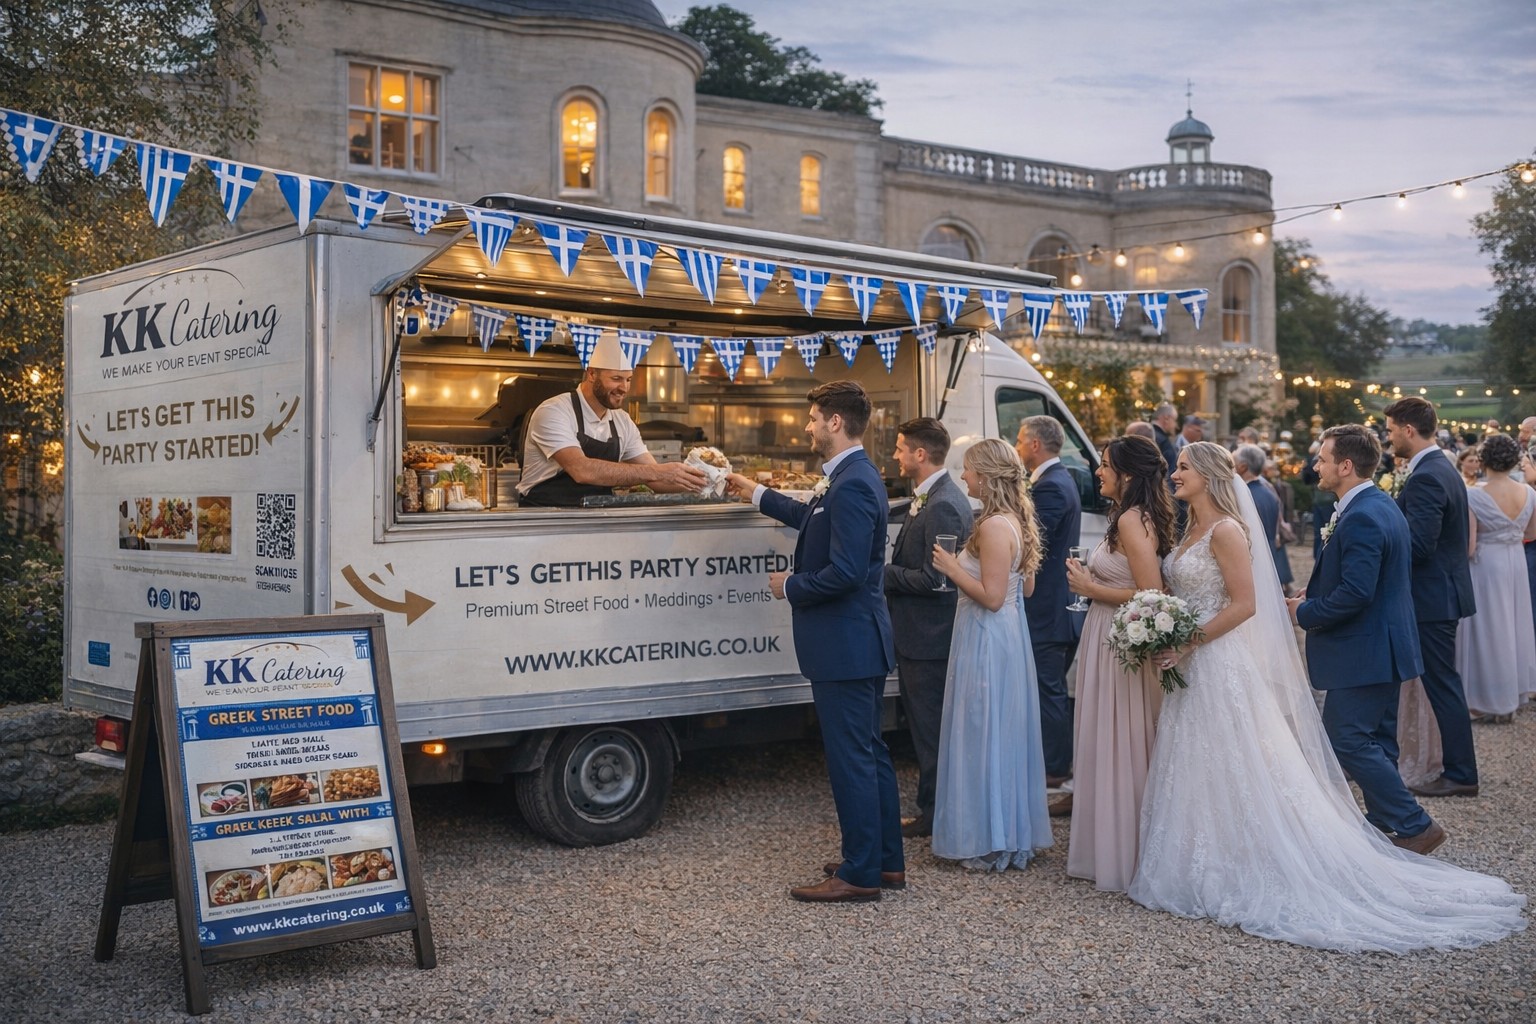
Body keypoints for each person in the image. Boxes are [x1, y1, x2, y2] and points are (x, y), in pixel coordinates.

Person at [1127, 440, 1526, 952]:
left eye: (1183, 468)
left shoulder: (1227, 530)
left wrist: (1188, 639)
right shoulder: (1190, 530)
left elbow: (1246, 603)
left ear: (1207, 474)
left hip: (1218, 660)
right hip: (1195, 664)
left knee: (1292, 748)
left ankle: (1397, 825)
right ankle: (1207, 849)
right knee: (1203, 758)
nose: (1174, 474)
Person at [724, 381, 900, 903]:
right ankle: (885, 861)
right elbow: (812, 520)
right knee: (869, 754)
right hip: (853, 642)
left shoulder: (854, 483)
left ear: (835, 423)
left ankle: (860, 872)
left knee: (853, 760)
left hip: (846, 644)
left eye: (812, 417)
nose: (807, 426)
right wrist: (752, 491)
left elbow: (846, 571)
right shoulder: (847, 478)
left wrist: (792, 586)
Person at [928, 439, 1051, 870]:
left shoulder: (997, 525)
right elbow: (1027, 588)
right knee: (997, 728)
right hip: (1006, 636)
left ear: (987, 476)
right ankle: (998, 829)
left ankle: (989, 836)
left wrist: (953, 568)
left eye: (968, 470)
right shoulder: (1015, 519)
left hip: (988, 635)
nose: (963, 477)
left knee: (984, 728)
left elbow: (993, 598)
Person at [1062, 434, 1175, 891]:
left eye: (1105, 464)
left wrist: (1091, 590)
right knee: (1111, 739)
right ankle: (1112, 845)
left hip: (1119, 642)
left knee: (1120, 740)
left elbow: (1153, 595)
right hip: (1107, 634)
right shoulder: (1128, 516)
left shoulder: (1132, 519)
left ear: (1126, 473)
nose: (1098, 471)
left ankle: (1124, 852)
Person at [1383, 396, 1479, 798]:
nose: (1387, 439)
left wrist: (1380, 542)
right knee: (1432, 681)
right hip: (1438, 592)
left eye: (1390, 431)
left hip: (1432, 597)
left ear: (1409, 429)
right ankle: (1383, 757)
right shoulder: (1440, 468)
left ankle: (1461, 773)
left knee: (1442, 684)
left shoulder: (1427, 475)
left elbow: (1420, 545)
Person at [884, 417, 973, 838]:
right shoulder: (931, 497)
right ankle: (935, 809)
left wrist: (883, 575)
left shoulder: (941, 504)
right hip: (921, 638)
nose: (896, 455)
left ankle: (938, 815)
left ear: (921, 454)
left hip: (930, 640)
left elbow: (937, 582)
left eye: (901, 448)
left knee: (933, 730)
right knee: (927, 729)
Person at [517, 332, 706, 506]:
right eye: (616, 378)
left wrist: (708, 479)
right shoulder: (554, 411)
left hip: (598, 520)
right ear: (591, 374)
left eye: (628, 379)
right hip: (545, 520)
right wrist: (657, 472)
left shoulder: (622, 421)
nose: (624, 388)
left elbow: (657, 482)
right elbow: (582, 470)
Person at [1015, 415, 1081, 795]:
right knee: (1047, 687)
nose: (1019, 445)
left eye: (1022, 440)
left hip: (1048, 608)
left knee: (1047, 689)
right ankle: (1051, 763)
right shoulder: (1059, 479)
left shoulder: (1052, 487)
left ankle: (1056, 770)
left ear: (1036, 445)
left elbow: (1031, 542)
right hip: (1053, 607)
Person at [1456, 434, 1536, 721]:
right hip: (1514, 561)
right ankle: (1508, 699)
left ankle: (1484, 700)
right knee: (1513, 629)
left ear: (1484, 460)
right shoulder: (1529, 492)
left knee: (1487, 632)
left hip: (1486, 567)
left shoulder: (1474, 494)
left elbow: (1470, 545)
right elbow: (1531, 534)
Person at [1151, 404, 1180, 472]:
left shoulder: (1145, 433)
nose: (1176, 425)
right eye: (1175, 420)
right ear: (1166, 418)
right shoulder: (1163, 441)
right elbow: (1170, 471)